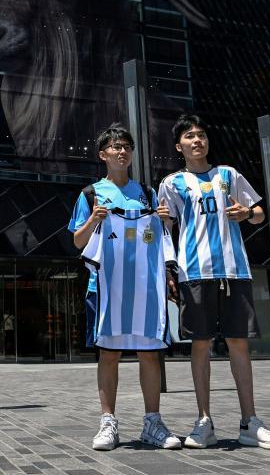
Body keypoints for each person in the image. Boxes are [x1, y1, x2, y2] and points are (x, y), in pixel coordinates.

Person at [158, 115, 270, 450]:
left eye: (201, 134)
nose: (197, 140)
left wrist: (248, 214)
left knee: (238, 343)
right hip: (193, 272)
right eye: (189, 136)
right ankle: (204, 421)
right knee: (200, 345)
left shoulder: (229, 174)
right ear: (179, 146)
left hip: (234, 270)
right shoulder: (172, 182)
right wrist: (168, 271)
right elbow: (166, 229)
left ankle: (250, 422)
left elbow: (259, 211)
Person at [69, 123, 181, 451]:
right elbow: (78, 241)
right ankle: (108, 423)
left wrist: (165, 221)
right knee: (109, 353)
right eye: (115, 147)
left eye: (126, 147)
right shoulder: (90, 194)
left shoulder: (148, 193)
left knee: (149, 354)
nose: (122, 151)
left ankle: (153, 422)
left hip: (145, 287)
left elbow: (161, 238)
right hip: (105, 287)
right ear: (103, 154)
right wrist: (93, 220)